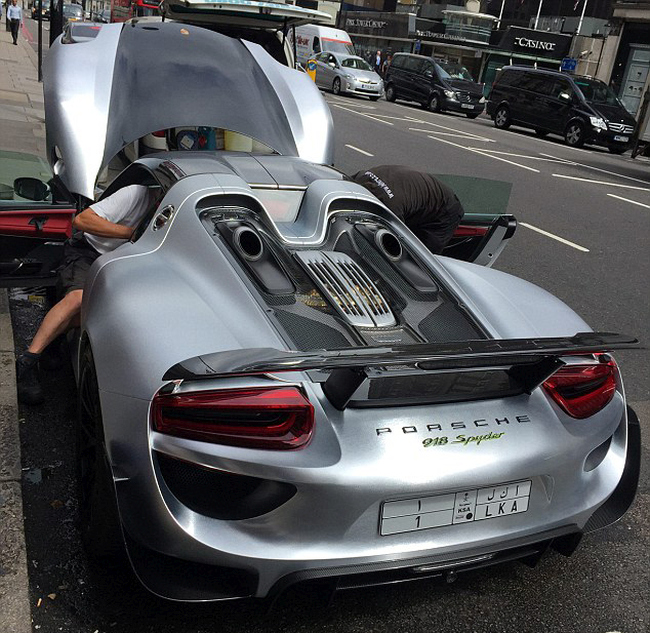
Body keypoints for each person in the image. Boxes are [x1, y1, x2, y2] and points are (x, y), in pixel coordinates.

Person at [15, 184, 158, 405]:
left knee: (103, 314)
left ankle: (53, 339)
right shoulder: (137, 193)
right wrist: (132, 234)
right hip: (88, 252)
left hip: (122, 266)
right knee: (78, 299)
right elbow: (82, 220)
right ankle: (28, 362)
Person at [349, 165, 464, 255]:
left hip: (444, 211)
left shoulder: (391, 208)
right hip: (415, 197)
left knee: (421, 259)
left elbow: (392, 243)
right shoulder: (360, 178)